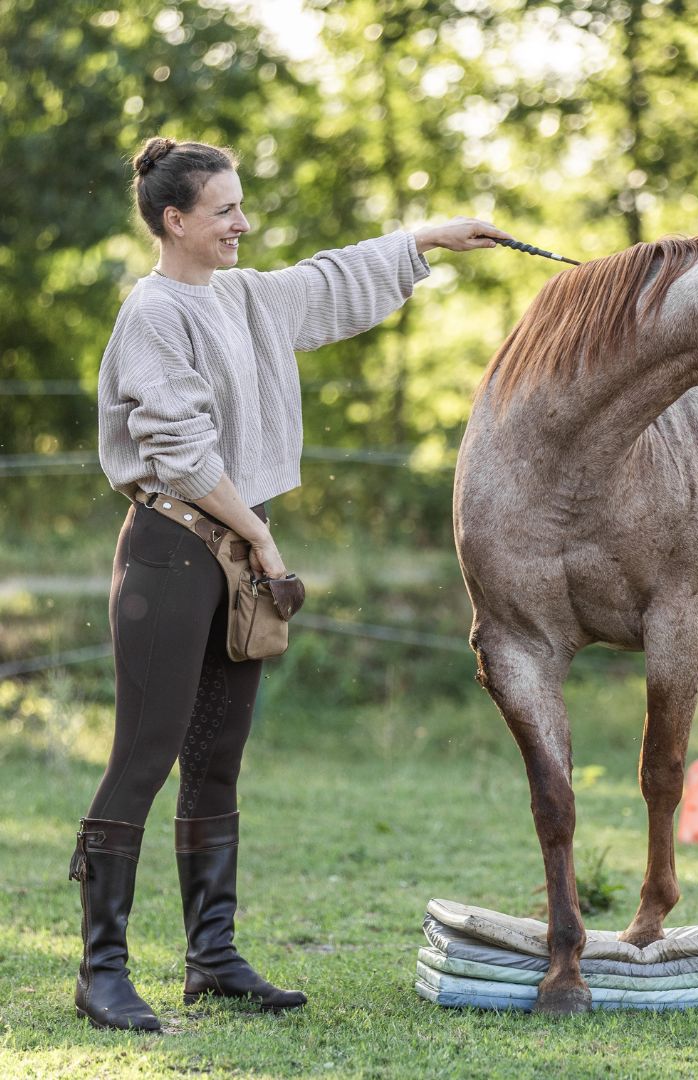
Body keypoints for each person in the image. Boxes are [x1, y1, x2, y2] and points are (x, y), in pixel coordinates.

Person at [71, 136, 511, 1031]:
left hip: (231, 556)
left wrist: (427, 238)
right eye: (226, 209)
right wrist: (263, 536)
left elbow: (328, 280)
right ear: (176, 220)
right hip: (171, 552)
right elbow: (181, 455)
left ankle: (213, 958)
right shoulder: (153, 314)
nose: (243, 222)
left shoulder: (244, 297)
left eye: (241, 205)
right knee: (145, 756)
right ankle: (101, 970)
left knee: (218, 759)